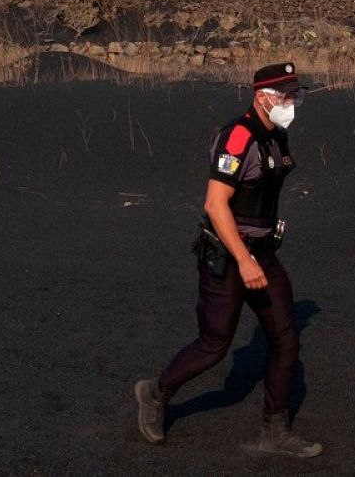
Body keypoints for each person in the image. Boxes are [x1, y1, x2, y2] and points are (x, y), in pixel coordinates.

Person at [134, 62, 322, 458]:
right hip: (228, 253)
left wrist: (260, 252)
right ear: (262, 97)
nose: (293, 102)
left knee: (286, 338)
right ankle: (156, 393)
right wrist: (244, 260)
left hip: (263, 251)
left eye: (296, 94)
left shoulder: (277, 136)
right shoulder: (238, 137)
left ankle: (276, 430)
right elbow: (215, 205)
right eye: (287, 95)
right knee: (215, 344)